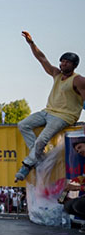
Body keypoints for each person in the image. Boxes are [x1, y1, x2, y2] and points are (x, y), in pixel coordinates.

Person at [15, 32, 85, 182]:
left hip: (64, 116)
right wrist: (31, 43)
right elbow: (42, 59)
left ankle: (27, 165)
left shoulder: (78, 80)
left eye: (66, 62)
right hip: (48, 111)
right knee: (23, 124)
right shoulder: (56, 74)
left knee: (42, 140)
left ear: (74, 65)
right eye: (62, 61)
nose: (63, 64)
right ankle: (40, 159)